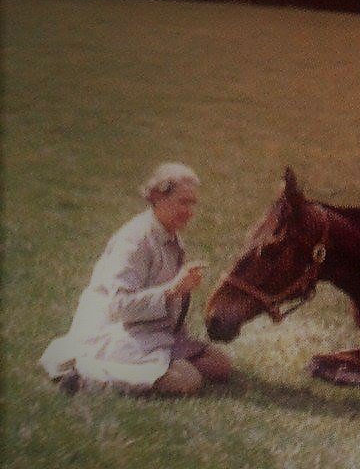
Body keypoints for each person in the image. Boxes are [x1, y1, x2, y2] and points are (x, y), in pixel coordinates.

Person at [39, 162, 232, 395]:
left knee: (220, 365)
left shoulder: (170, 235)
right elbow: (119, 306)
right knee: (186, 380)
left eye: (193, 203)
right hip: (116, 331)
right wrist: (171, 290)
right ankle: (84, 376)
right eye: (183, 202)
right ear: (157, 197)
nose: (189, 211)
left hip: (153, 332)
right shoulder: (134, 240)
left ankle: (154, 364)